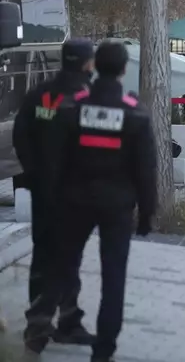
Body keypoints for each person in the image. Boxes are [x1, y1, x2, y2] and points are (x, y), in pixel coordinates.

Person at [23, 40, 158, 362]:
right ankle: (103, 351)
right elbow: (146, 170)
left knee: (59, 268)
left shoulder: (72, 108)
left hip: (73, 202)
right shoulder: (135, 113)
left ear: (95, 66)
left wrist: (52, 199)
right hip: (117, 207)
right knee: (114, 279)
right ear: (125, 69)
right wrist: (146, 215)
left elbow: (55, 161)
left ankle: (36, 336)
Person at [12, 39, 96, 346]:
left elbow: (20, 134)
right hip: (76, 196)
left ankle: (41, 323)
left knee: (43, 256)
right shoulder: (89, 98)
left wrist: (33, 174)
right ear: (88, 64)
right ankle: (60, 322)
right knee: (69, 258)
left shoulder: (40, 94)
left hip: (44, 193)